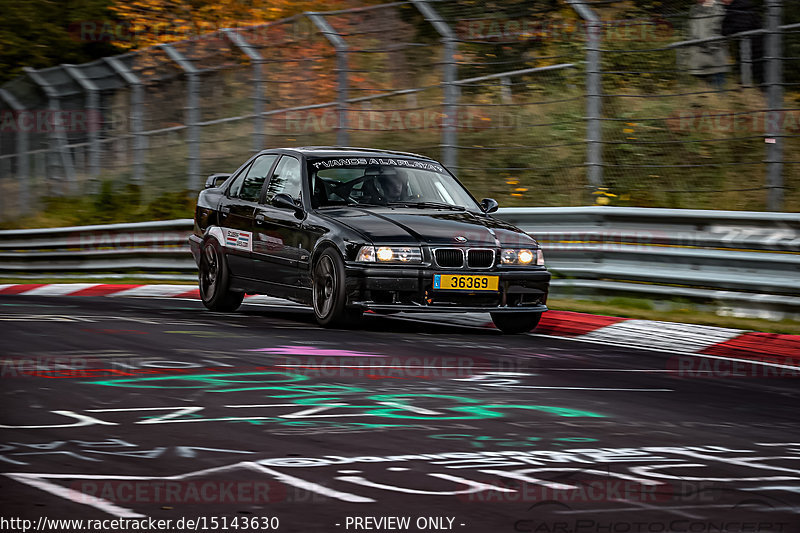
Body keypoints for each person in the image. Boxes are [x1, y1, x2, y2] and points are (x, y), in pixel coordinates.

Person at [721, 0, 764, 88]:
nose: (722, 1)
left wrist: (729, 29)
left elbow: (741, 27)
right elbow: (724, 29)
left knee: (761, 76)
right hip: (748, 48)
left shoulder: (739, 7)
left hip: (757, 47)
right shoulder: (733, 8)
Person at [687, 0, 729, 89]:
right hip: (698, 53)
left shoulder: (715, 7)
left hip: (713, 52)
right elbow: (692, 30)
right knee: (705, 89)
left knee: (717, 85)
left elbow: (716, 28)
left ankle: (720, 100)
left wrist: (711, 45)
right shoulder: (695, 8)